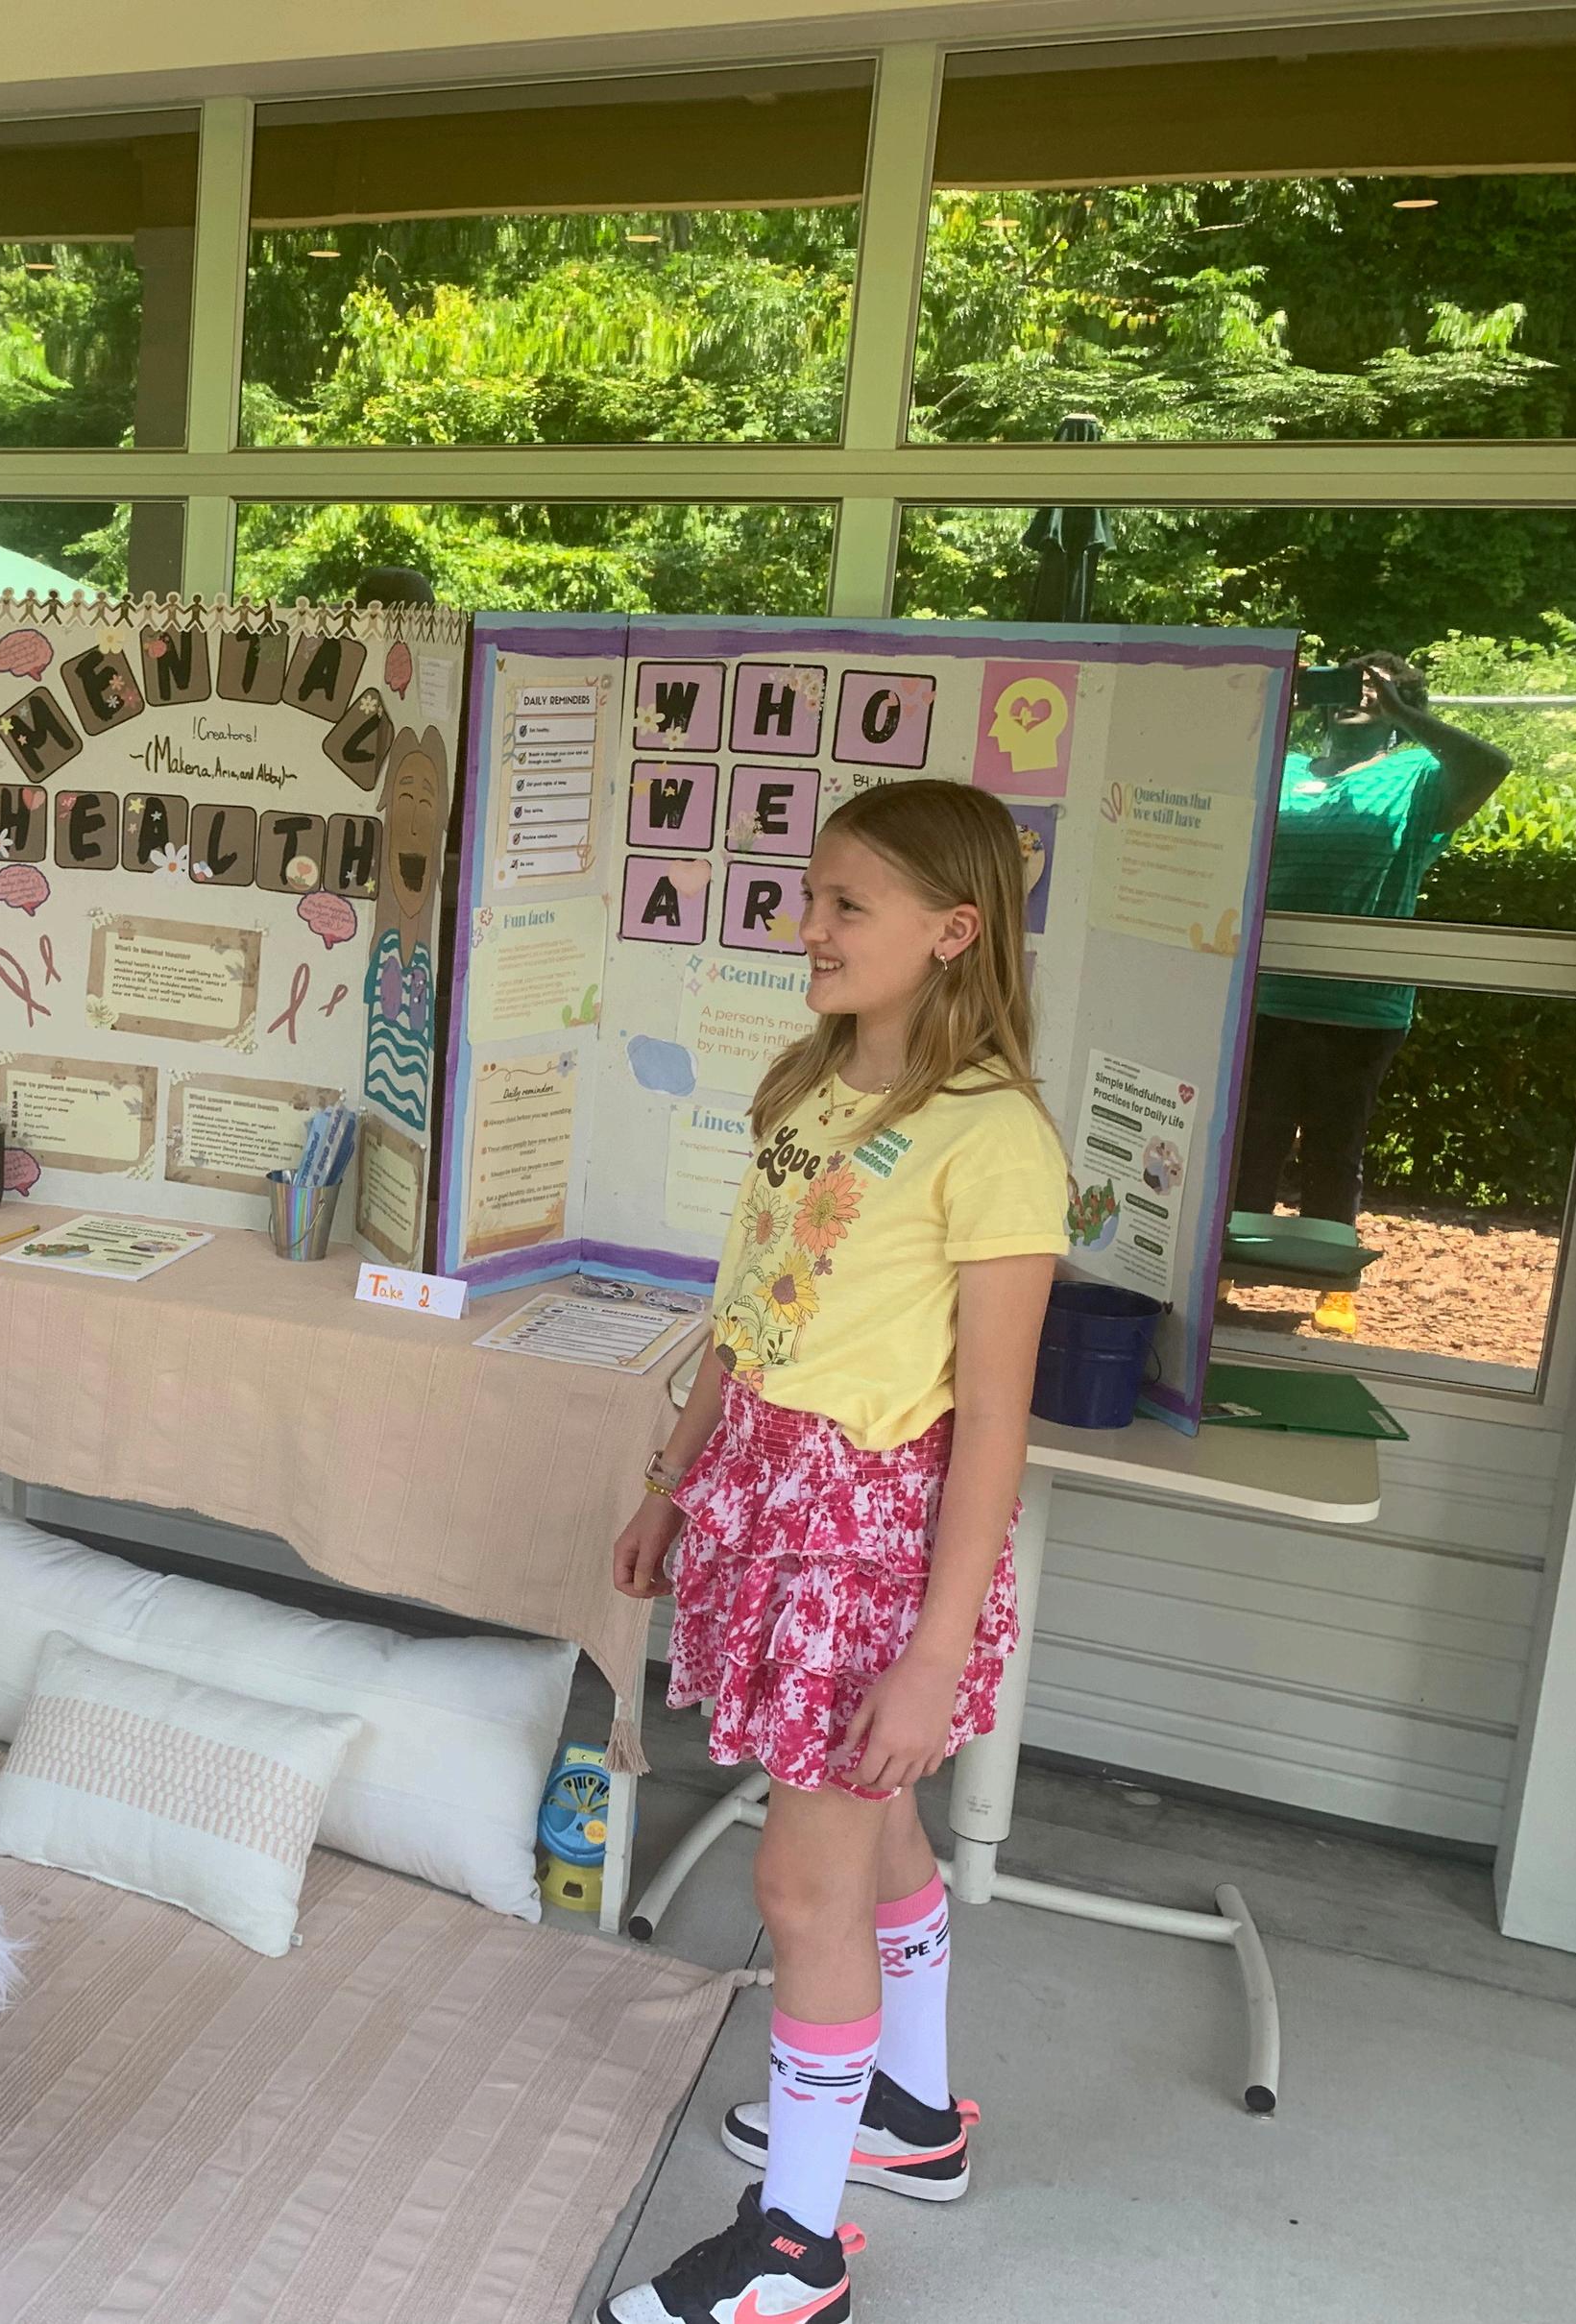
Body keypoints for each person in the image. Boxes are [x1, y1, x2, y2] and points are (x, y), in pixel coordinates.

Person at [600, 782, 1066, 2324]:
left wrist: (932, 1656)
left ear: (952, 930)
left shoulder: (993, 1140)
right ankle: (906, 2116)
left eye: (843, 906)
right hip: (767, 1501)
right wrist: (673, 1483)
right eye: (806, 896)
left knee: (802, 1892)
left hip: (863, 1549)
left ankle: (793, 2253)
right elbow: (744, 1320)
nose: (804, 926)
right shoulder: (807, 1087)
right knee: (874, 1835)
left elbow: (990, 1425)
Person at [1232, 652, 1510, 1257]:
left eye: (1375, 686)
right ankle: (1226, 1276)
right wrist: (1276, 708)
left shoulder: (1419, 775)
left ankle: (1331, 1282)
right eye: (1346, 680)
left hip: (1360, 1008)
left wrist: (1405, 716)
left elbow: (1492, 765)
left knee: (1334, 1152)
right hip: (1263, 996)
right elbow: (1206, 779)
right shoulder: (1279, 768)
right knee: (1249, 1146)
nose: (1358, 694)